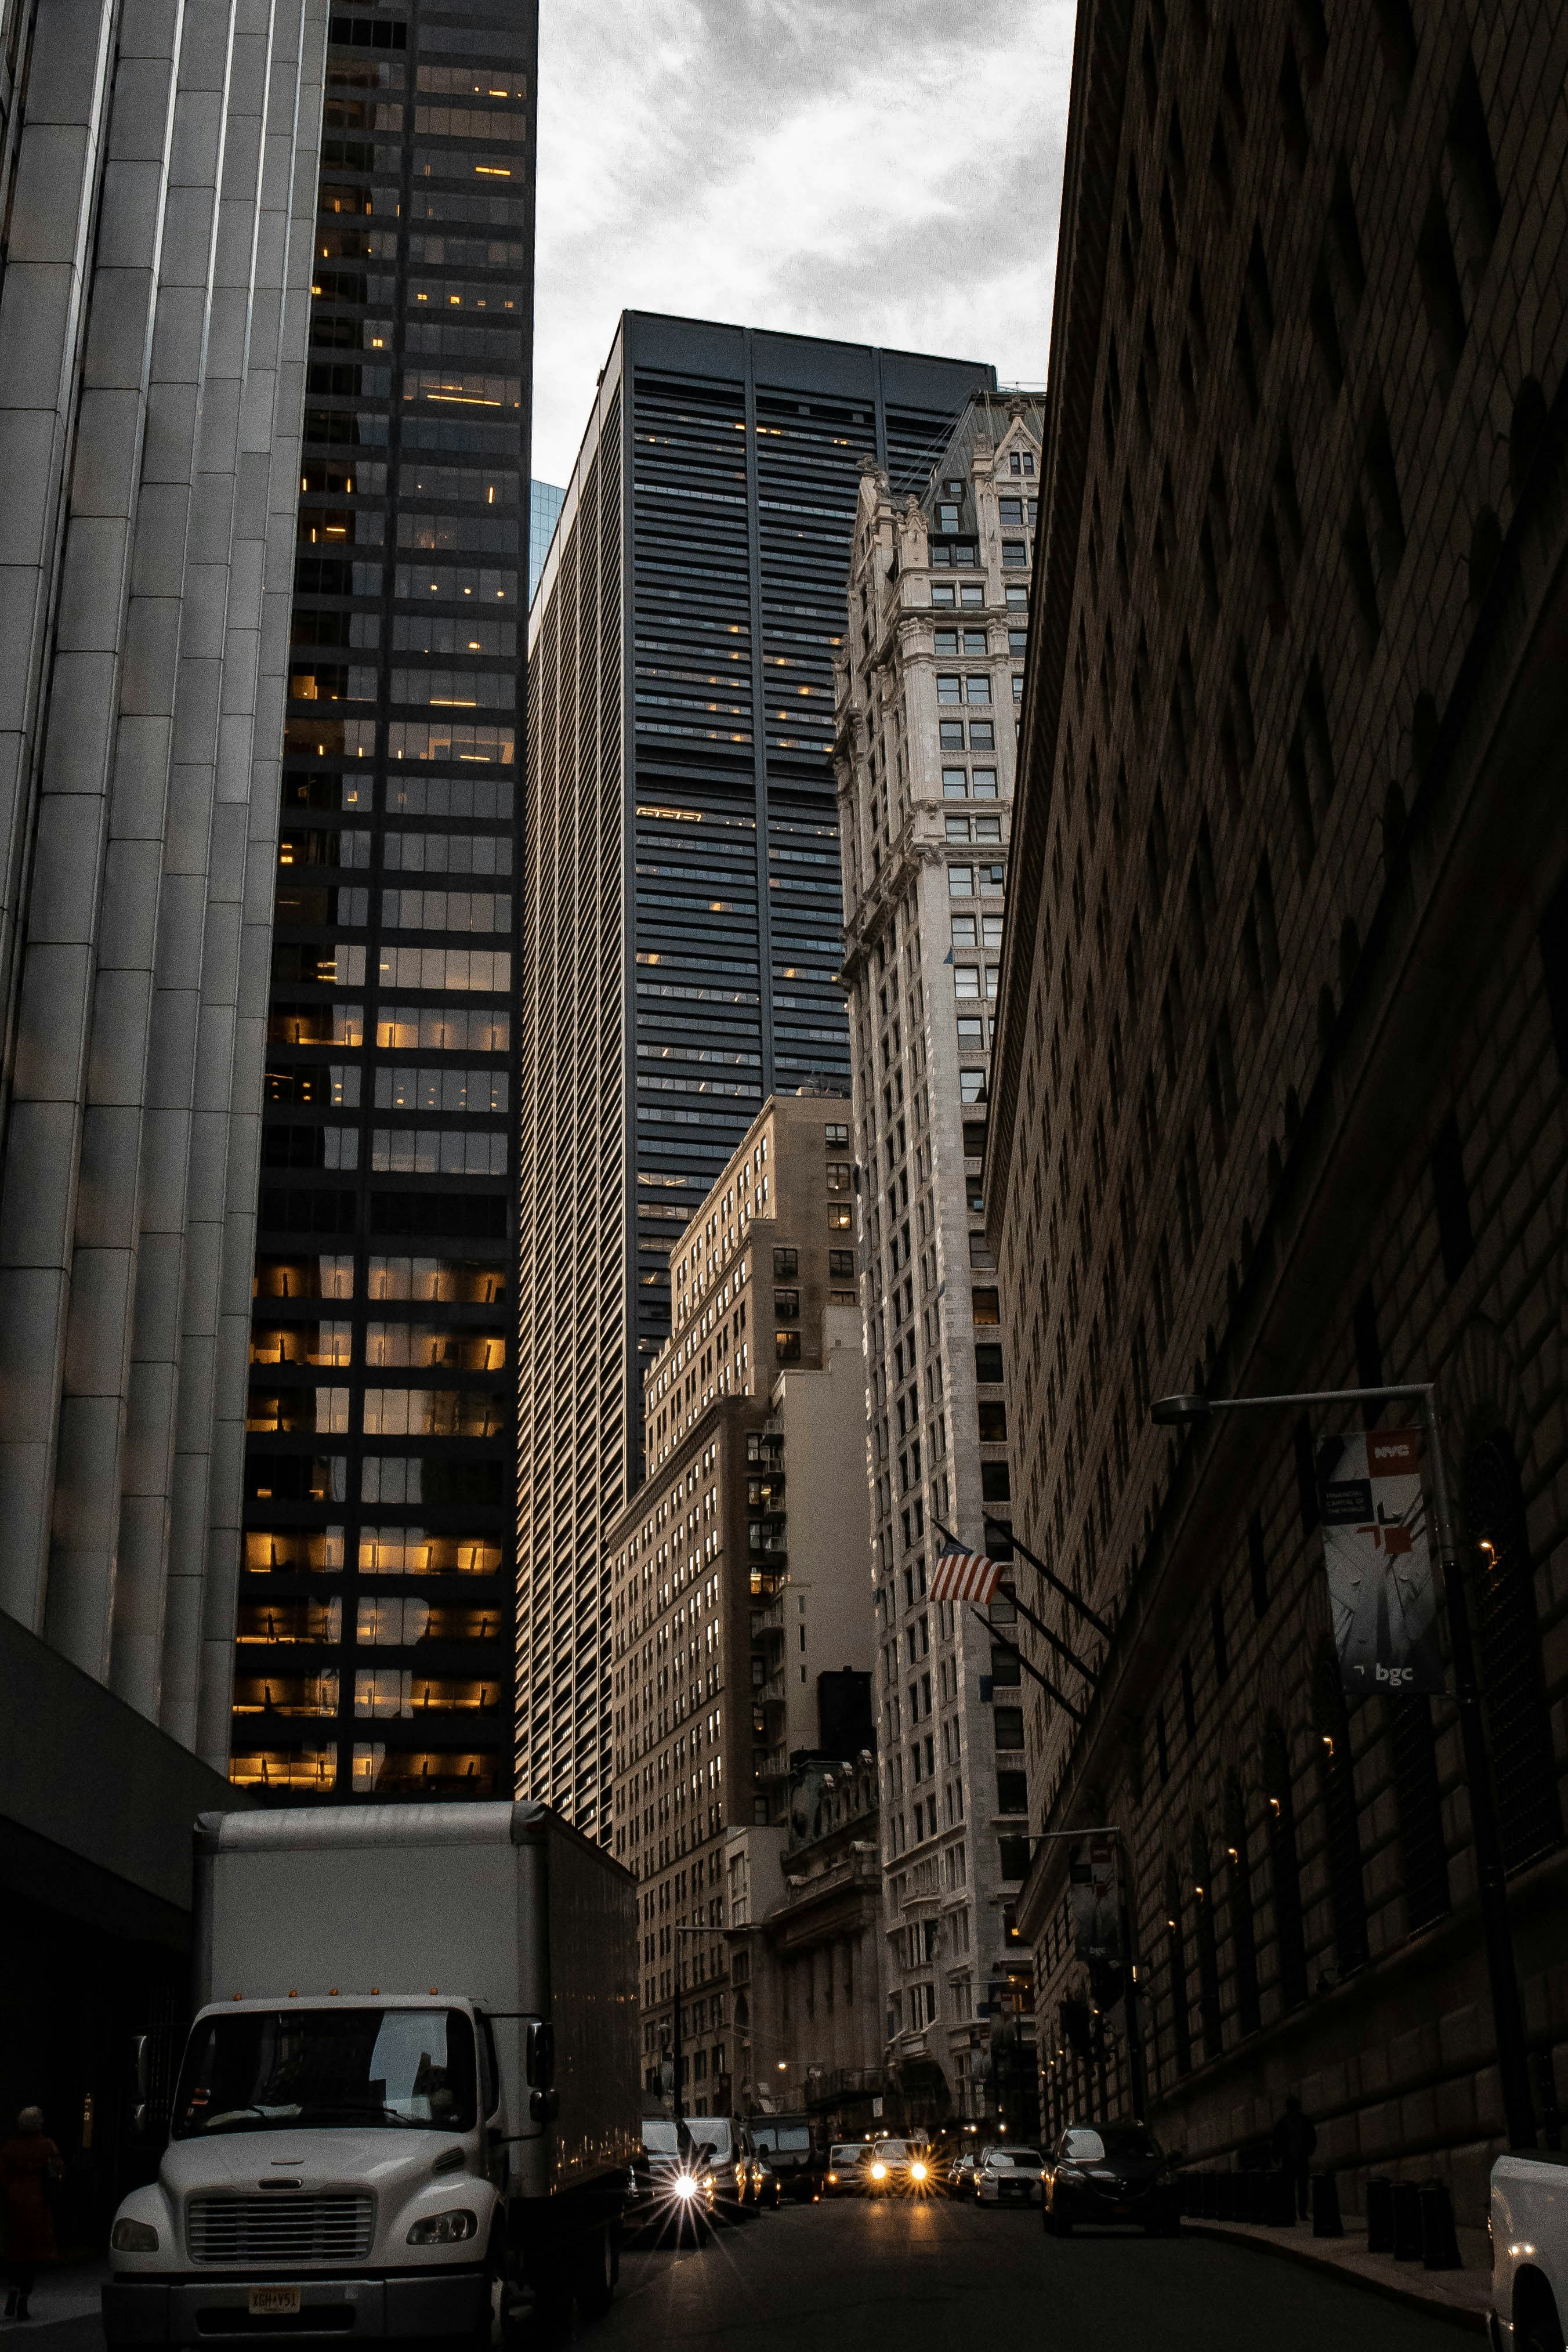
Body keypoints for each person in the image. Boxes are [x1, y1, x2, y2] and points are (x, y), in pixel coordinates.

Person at [1, 2106, 61, 2322]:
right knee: (31, 2256)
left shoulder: (11, 2147)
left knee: (15, 2252)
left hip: (13, 2204)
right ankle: (23, 2303)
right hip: (37, 2203)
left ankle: (12, 2291)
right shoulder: (46, 2146)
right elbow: (58, 2170)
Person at [1270, 2093, 1317, 2221]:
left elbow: (1276, 2141)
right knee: (1295, 2187)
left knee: (1295, 2187)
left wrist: (1276, 2157)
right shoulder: (1302, 2121)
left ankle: (1296, 2212)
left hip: (1295, 2158)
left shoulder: (1285, 2123)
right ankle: (1298, 2212)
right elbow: (1312, 2138)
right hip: (1294, 2158)